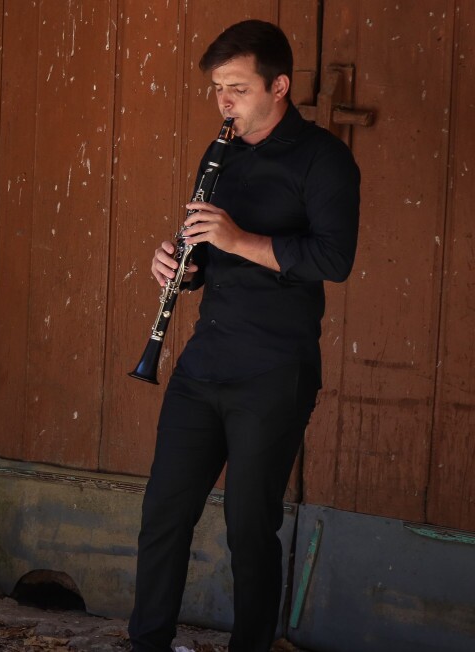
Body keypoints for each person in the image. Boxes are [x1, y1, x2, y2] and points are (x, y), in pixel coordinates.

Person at [128, 20, 360, 652]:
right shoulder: (218, 154)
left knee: (249, 528)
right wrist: (184, 266)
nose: (223, 102)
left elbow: (334, 260)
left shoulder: (325, 159)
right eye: (217, 88)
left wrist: (239, 240)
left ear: (278, 86)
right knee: (163, 516)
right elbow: (211, 253)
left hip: (274, 370)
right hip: (206, 361)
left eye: (236, 87)